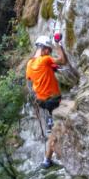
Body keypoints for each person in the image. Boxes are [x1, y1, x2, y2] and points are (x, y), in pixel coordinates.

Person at [26, 34, 68, 168]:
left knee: (52, 129)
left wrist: (50, 69)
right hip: (54, 100)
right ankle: (55, 155)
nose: (49, 52)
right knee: (70, 113)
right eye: (49, 50)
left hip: (42, 101)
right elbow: (62, 60)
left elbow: (30, 79)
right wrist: (58, 43)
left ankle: (46, 160)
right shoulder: (45, 59)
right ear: (44, 49)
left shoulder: (30, 63)